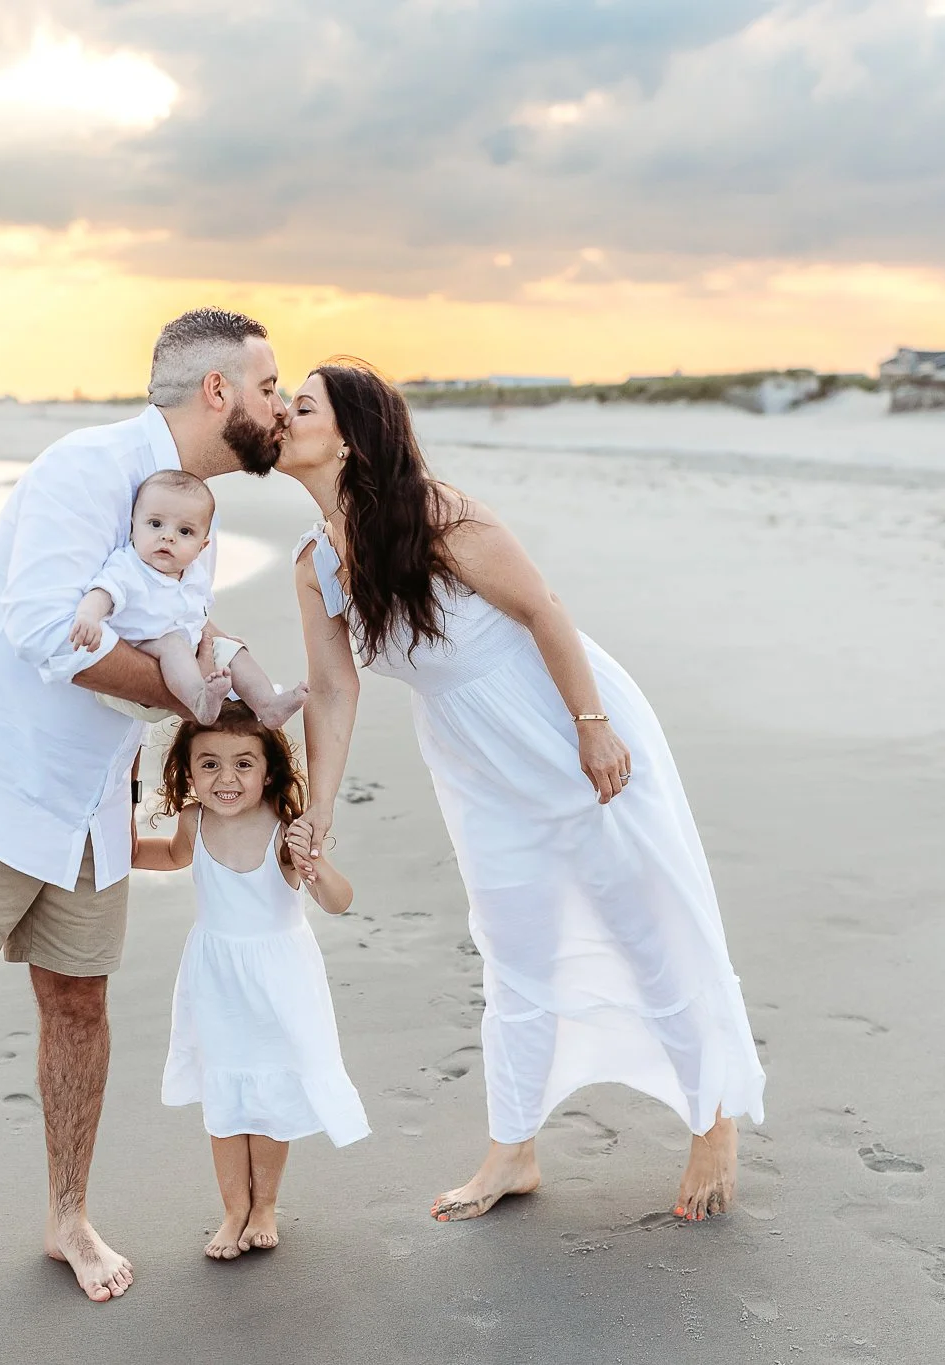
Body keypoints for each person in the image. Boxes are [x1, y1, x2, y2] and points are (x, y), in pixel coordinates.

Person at [0, 308, 288, 1301]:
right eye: (266, 386)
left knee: (78, 1001)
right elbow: (53, 633)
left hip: (94, 795)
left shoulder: (195, 514)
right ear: (215, 392)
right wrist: (183, 694)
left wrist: (220, 740)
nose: (278, 403)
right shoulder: (80, 471)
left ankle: (67, 1217)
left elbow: (180, 633)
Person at [278, 361, 765, 1225]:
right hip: (476, 763)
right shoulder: (315, 564)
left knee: (645, 921)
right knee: (512, 944)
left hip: (561, 724)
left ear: (349, 433)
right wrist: (317, 810)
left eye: (300, 404)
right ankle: (514, 1149)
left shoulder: (436, 513)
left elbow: (544, 609)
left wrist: (591, 720)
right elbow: (334, 691)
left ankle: (712, 1117)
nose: (280, 414)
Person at [131, 702, 368, 1260]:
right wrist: (116, 854)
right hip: (215, 980)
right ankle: (234, 1207)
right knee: (226, 1092)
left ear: (269, 773)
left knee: (269, 1093)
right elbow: (169, 856)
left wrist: (315, 865)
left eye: (243, 764)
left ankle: (266, 1205)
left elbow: (339, 902)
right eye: (209, 765)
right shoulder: (195, 821)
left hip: (279, 981)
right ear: (188, 773)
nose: (226, 778)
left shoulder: (285, 831)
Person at [63, 469, 308, 728]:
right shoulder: (128, 567)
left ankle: (268, 705)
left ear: (202, 546)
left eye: (184, 531)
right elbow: (102, 593)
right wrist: (88, 616)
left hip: (186, 666)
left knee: (233, 650)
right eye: (155, 524)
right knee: (172, 643)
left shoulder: (193, 576)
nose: (168, 536)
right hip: (138, 666)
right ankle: (200, 702)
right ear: (133, 526)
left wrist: (224, 640)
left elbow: (199, 620)